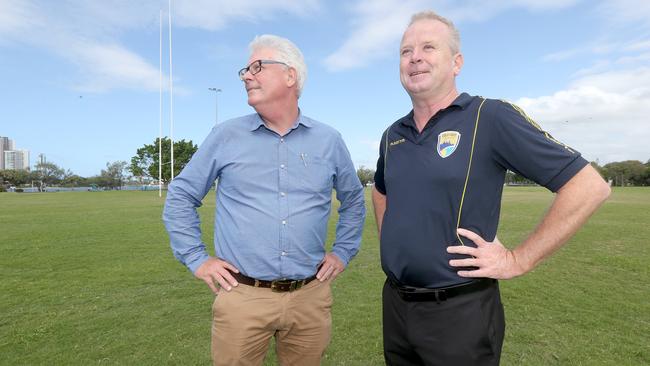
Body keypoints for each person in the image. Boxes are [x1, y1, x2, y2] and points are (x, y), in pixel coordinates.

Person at [372, 11, 611, 366]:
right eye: (406, 51)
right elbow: (381, 190)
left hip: (460, 311)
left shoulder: (490, 117)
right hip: (396, 306)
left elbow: (588, 186)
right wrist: (393, 242)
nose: (415, 57)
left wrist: (519, 259)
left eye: (428, 47)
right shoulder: (393, 134)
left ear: (457, 62)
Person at [163, 34, 365, 366]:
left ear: (290, 75)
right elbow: (181, 194)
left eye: (257, 66)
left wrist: (343, 251)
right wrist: (197, 258)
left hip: (309, 298)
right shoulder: (226, 136)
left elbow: (354, 201)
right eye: (245, 69)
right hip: (242, 297)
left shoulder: (329, 140)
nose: (246, 75)